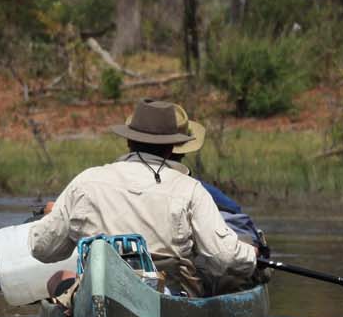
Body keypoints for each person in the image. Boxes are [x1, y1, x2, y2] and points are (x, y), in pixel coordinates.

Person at [29, 99, 259, 297]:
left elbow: (42, 249)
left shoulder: (86, 181)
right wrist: (252, 253)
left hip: (100, 290)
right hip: (169, 295)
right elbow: (226, 257)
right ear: (171, 148)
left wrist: (59, 219)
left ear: (129, 141)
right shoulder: (191, 189)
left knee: (59, 278)